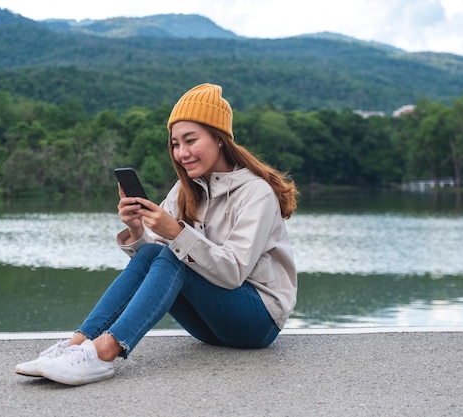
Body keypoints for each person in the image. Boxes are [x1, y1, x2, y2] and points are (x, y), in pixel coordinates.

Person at [15, 83, 299, 386]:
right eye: (176, 144)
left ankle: (104, 354)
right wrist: (137, 230)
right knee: (155, 252)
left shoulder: (257, 192)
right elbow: (157, 264)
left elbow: (232, 272)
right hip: (209, 325)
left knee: (176, 255)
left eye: (191, 140)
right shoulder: (185, 189)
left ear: (219, 139)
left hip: (257, 321)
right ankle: (76, 345)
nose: (182, 153)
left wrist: (176, 233)